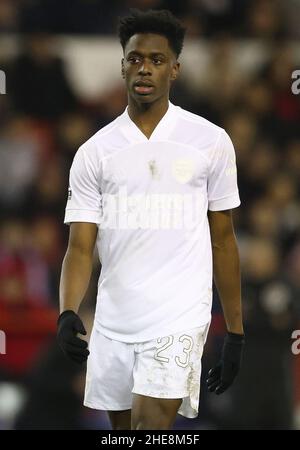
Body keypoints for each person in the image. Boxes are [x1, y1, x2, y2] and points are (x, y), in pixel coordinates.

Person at [57, 9, 244, 430]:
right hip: (113, 319)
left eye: (157, 60)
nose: (145, 68)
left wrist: (235, 331)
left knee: (149, 430)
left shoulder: (210, 142)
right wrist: (68, 310)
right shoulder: (94, 152)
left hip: (178, 316)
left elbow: (224, 241)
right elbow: (80, 246)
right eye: (135, 58)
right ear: (122, 65)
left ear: (174, 69)